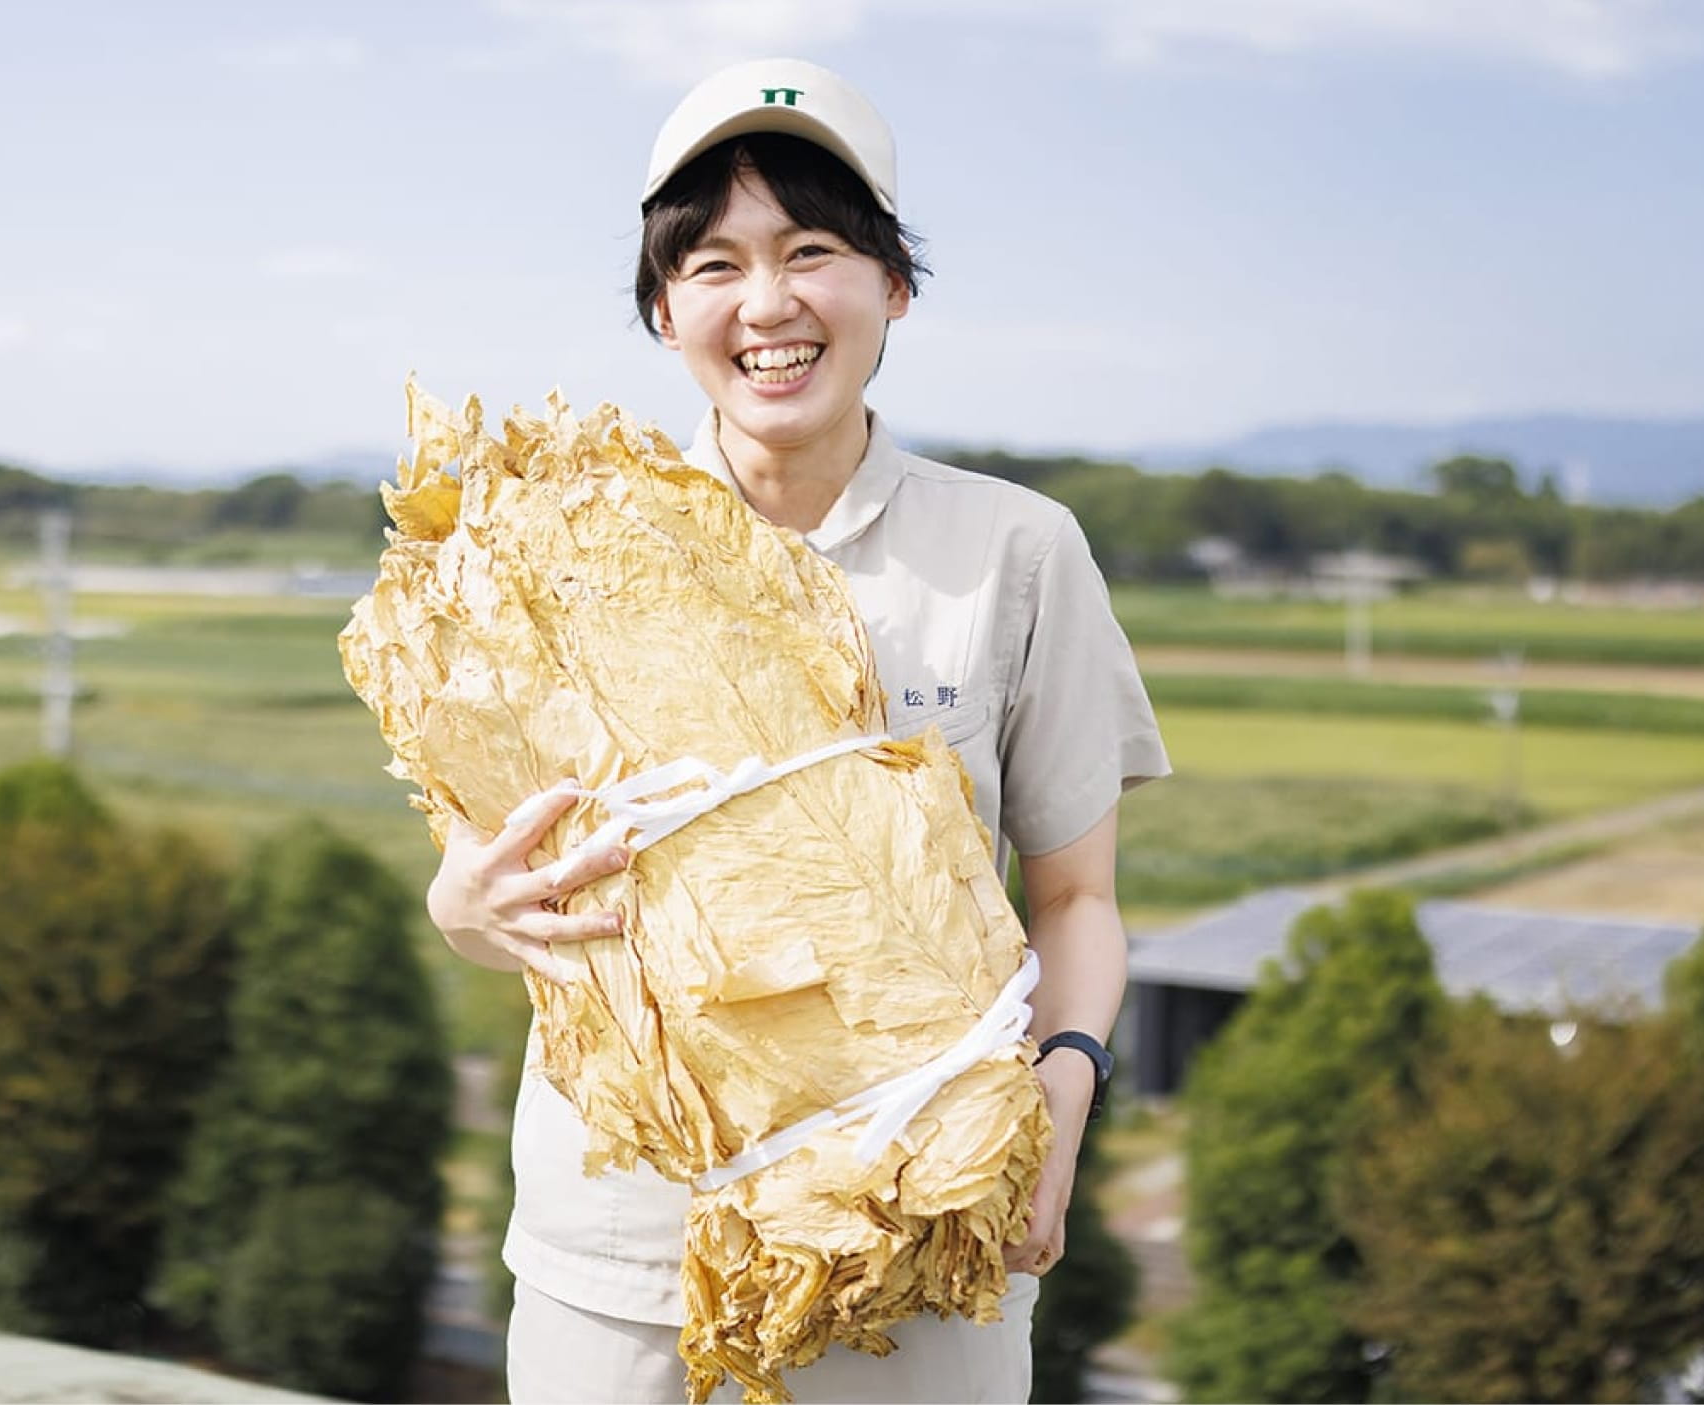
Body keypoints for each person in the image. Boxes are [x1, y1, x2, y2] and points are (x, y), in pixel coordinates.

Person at [425, 57, 1171, 1404]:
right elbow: (486, 888)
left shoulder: (1012, 549)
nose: (766, 303)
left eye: (811, 250)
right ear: (663, 311)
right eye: (712, 264)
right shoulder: (555, 555)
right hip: (627, 1251)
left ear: (892, 285)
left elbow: (1075, 894)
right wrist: (467, 903)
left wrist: (1060, 1097)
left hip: (924, 1223)